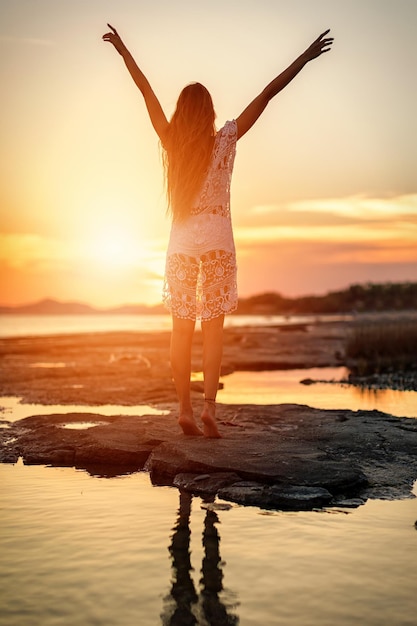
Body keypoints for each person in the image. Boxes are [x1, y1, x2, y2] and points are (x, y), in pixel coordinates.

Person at [102, 24, 333, 438]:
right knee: (213, 332)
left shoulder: (172, 142)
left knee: (180, 332)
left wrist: (123, 51)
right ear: (208, 113)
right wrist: (302, 58)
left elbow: (146, 91)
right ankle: (209, 408)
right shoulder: (225, 139)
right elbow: (266, 94)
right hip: (218, 246)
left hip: (181, 246)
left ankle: (185, 410)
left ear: (180, 112)